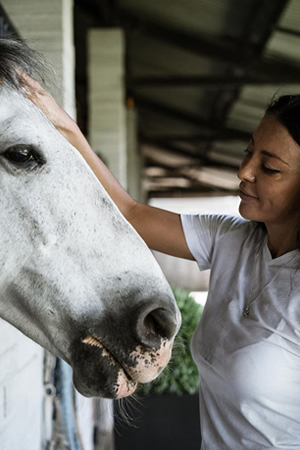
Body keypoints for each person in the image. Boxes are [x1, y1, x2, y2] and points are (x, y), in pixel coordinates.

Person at [23, 75, 300, 449]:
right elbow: (129, 211)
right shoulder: (230, 240)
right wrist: (63, 125)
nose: (244, 172)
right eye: (248, 153)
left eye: (269, 168)